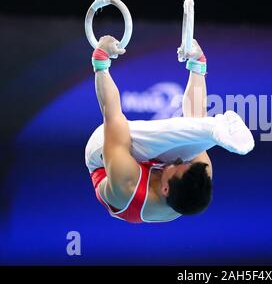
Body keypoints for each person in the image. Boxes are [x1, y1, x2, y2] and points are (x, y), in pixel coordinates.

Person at [85, 36, 254, 223]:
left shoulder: (127, 186)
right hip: (154, 166)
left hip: (101, 156)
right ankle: (210, 120)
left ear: (165, 189)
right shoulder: (195, 181)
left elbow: (113, 116)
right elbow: (194, 123)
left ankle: (212, 130)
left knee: (127, 132)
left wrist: (100, 61)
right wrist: (198, 66)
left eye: (178, 167)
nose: (181, 160)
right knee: (195, 142)